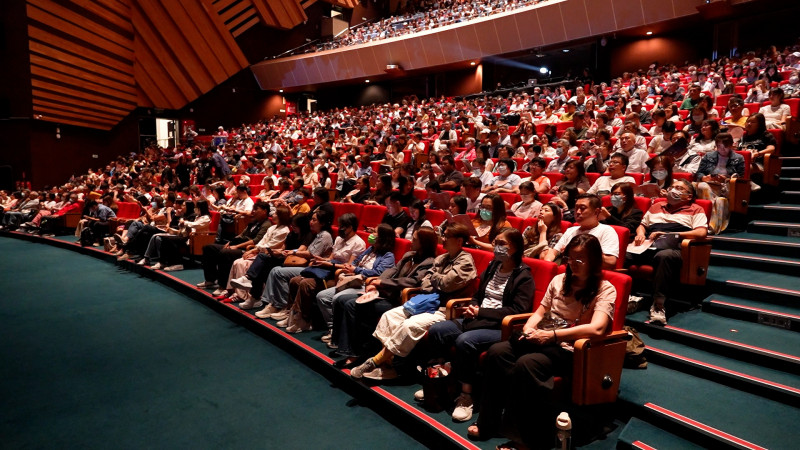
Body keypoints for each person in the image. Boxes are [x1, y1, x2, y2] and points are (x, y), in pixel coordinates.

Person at [468, 234, 617, 449]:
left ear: (593, 261)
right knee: (497, 352)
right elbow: (540, 312)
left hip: (572, 349)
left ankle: (524, 438)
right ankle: (488, 421)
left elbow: (598, 328)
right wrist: (528, 329)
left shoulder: (605, 288)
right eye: (570, 258)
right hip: (543, 340)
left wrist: (552, 335)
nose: (573, 263)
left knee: (527, 364)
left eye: (580, 259)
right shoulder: (559, 280)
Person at [424, 228, 535, 422]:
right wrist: (473, 306)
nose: (496, 247)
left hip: (500, 327)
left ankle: (466, 395)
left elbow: (517, 310)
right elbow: (477, 295)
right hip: (477, 319)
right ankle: (440, 383)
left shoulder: (523, 276)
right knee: (437, 330)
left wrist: (480, 312)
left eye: (502, 244)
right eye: (496, 243)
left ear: (515, 248)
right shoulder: (493, 267)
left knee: (465, 341)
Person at [349, 223, 478, 381]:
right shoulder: (442, 258)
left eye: (447, 236)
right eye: (443, 235)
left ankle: (376, 361)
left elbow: (446, 284)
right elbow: (425, 283)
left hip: (445, 309)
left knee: (409, 325)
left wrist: (434, 277)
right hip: (426, 301)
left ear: (459, 241)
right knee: (390, 316)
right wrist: (437, 279)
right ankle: (388, 366)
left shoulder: (465, 261)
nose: (443, 239)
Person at [330, 227, 438, 368]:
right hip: (387, 294)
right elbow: (392, 271)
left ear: (424, 243)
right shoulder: (409, 255)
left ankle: (353, 354)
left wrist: (382, 283)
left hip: (402, 301)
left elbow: (413, 282)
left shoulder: (430, 262)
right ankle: (346, 346)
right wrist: (377, 282)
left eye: (415, 239)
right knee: (343, 300)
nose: (411, 241)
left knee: (352, 305)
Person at [628, 179, 708, 324]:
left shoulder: (696, 209)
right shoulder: (656, 206)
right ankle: (628, 296)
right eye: (672, 187)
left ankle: (658, 305)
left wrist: (671, 235)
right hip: (649, 245)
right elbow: (642, 225)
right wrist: (640, 233)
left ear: (689, 196)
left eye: (679, 188)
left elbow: (701, 233)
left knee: (663, 256)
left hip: (674, 248)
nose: (673, 190)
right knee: (623, 255)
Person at [283, 213, 366, 332]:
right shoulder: (339, 239)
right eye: (340, 226)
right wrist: (321, 260)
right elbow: (331, 258)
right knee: (295, 280)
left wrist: (330, 264)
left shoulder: (358, 243)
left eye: (343, 226)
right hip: (326, 269)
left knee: (306, 284)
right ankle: (292, 314)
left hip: (339, 275)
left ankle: (305, 320)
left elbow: (349, 267)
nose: (340, 229)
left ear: (350, 227)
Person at [315, 223, 396, 344]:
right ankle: (333, 328)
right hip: (353, 280)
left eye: (375, 232)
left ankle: (338, 334)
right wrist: (350, 267)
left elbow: (378, 273)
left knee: (337, 298)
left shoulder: (388, 256)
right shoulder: (370, 249)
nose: (371, 234)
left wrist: (356, 270)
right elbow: (356, 261)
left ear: (382, 237)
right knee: (322, 296)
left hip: (366, 285)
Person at [256, 209, 335, 320]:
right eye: (311, 219)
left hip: (314, 269)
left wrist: (293, 252)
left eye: (314, 220)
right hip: (310, 266)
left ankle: (283, 306)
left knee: (278, 272)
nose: (311, 222)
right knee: (275, 269)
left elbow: (312, 254)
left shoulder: (325, 235)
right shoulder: (318, 235)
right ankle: (273, 304)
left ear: (322, 223)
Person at [197, 202, 272, 295]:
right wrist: (229, 243)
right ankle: (210, 280)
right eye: (253, 209)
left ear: (264, 211)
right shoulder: (253, 222)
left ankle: (223, 286)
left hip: (249, 250)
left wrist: (236, 246)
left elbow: (255, 241)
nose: (253, 211)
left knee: (225, 253)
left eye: (256, 209)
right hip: (238, 245)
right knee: (208, 248)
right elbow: (241, 235)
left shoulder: (266, 224)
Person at [224, 205, 292, 307]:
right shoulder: (272, 227)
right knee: (237, 262)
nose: (273, 215)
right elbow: (262, 242)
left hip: (270, 255)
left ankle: (243, 294)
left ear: (281, 216)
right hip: (261, 252)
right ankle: (232, 291)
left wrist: (254, 250)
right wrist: (255, 250)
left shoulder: (284, 230)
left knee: (243, 264)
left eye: (275, 213)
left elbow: (271, 245)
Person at [544, 194, 620, 270]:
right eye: (576, 208)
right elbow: (553, 252)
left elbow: (610, 262)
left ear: (596, 212)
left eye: (582, 208)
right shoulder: (571, 230)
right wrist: (548, 264)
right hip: (566, 271)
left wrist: (578, 252)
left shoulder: (607, 231)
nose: (578, 212)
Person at [138, 201, 211, 271]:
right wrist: (180, 219)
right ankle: (163, 262)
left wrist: (184, 222)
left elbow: (195, 225)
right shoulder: (197, 216)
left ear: (201, 208)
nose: (195, 208)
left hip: (198, 239)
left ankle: (177, 263)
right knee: (164, 238)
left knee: (168, 239)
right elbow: (181, 225)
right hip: (188, 237)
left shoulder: (206, 218)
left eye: (196, 207)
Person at [695, 133, 745, 234]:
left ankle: (711, 226)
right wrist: (704, 177)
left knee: (719, 200)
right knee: (703, 186)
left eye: (725, 147)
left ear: (731, 145)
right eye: (719, 146)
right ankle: (710, 225)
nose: (722, 149)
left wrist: (726, 179)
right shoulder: (708, 156)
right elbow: (699, 173)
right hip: (709, 184)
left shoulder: (738, 158)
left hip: (726, 186)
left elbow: (740, 178)